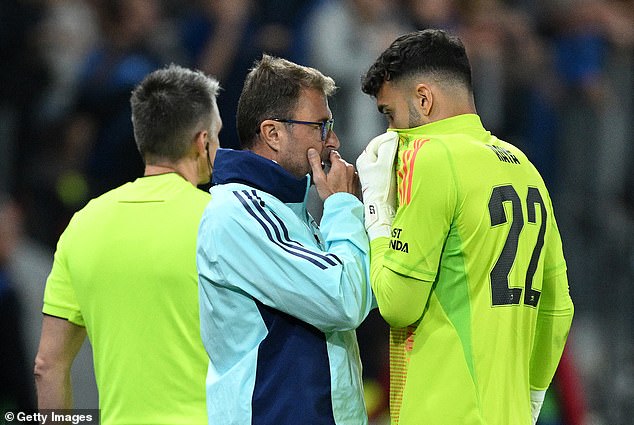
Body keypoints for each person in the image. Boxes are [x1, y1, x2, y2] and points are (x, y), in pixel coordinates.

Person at [355, 29, 574, 425]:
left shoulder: (433, 159)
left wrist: (376, 210)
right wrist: (531, 399)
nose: (390, 133)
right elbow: (558, 308)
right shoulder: (525, 167)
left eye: (390, 114)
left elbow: (397, 303)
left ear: (424, 99)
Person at [34, 64, 222, 425]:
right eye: (217, 136)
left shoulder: (83, 225)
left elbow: (47, 365)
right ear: (202, 143)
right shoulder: (223, 220)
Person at [196, 54, 374, 425]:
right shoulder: (239, 213)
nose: (334, 140)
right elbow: (343, 299)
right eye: (321, 126)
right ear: (273, 133)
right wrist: (343, 206)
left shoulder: (289, 209)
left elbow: (363, 291)